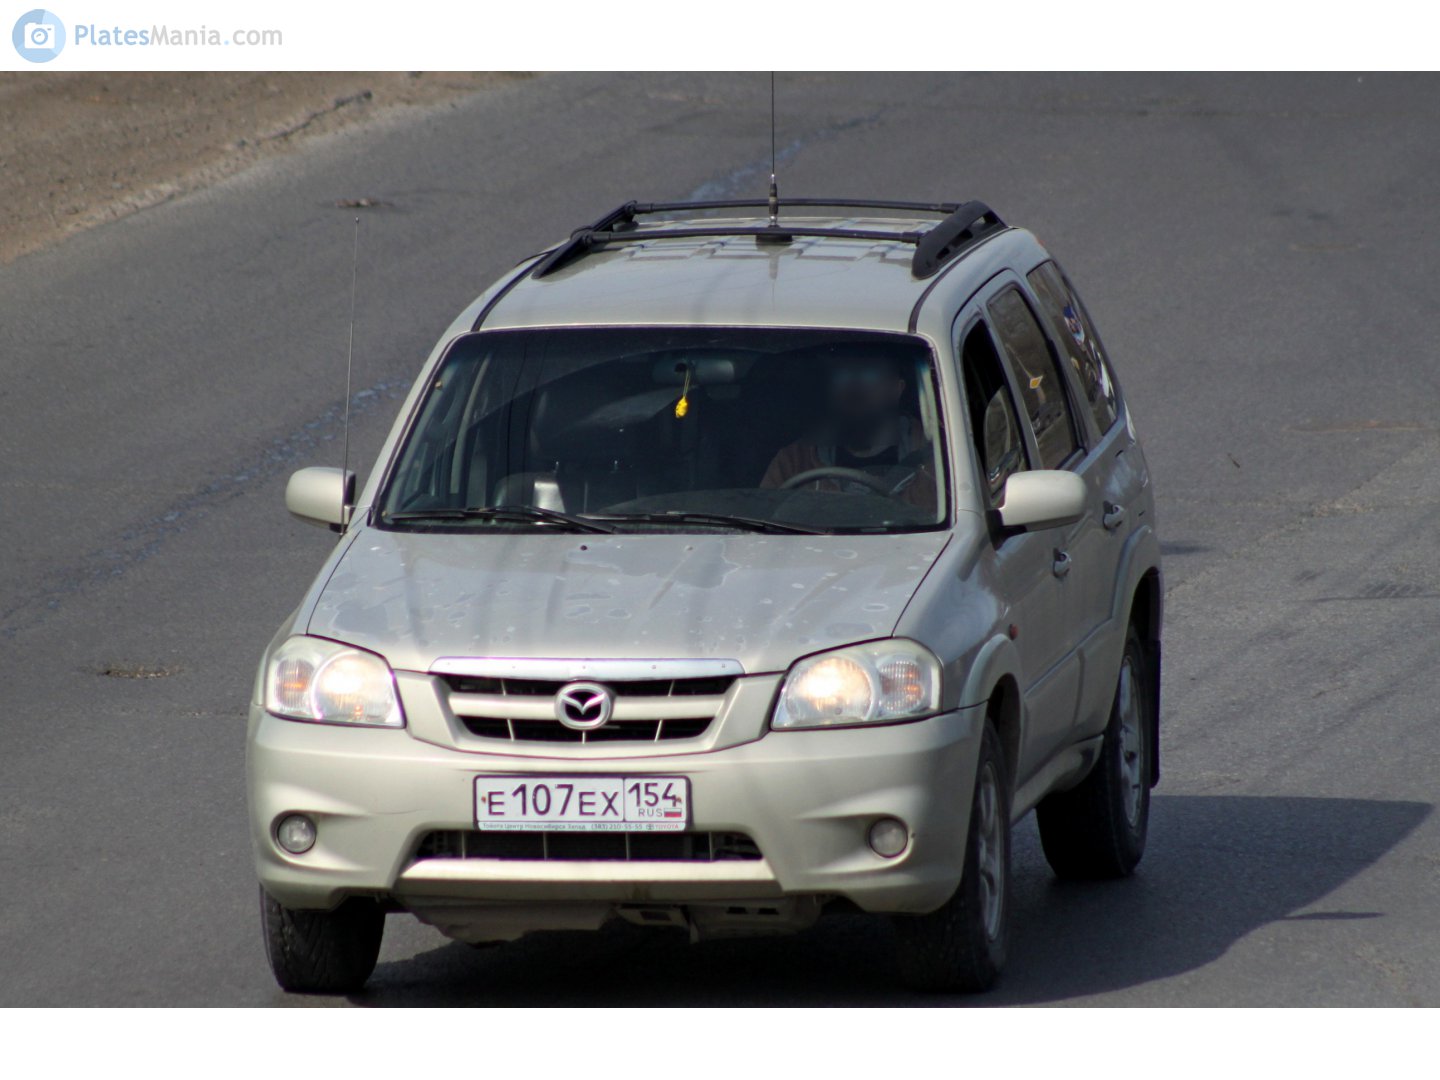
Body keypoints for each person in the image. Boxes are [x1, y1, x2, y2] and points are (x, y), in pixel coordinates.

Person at [760, 353, 937, 511]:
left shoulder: (935, 462)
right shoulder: (795, 461)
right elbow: (764, 519)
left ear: (896, 389)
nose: (854, 386)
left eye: (870, 374)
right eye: (842, 376)